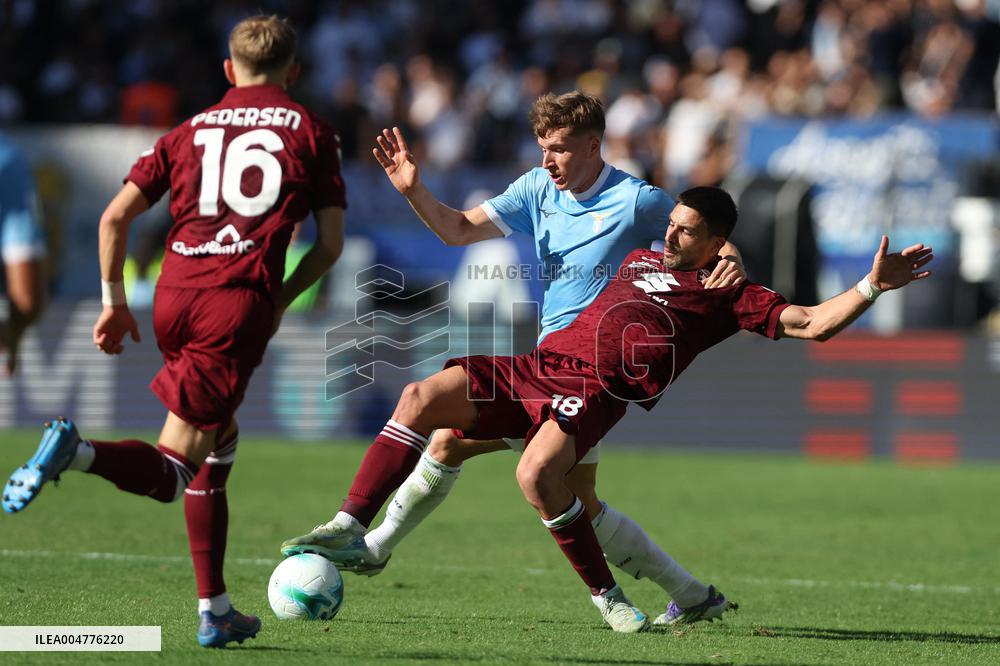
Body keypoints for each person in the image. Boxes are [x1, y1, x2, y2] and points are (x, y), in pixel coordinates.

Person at [284, 187, 933, 632]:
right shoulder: (645, 251)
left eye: (688, 230)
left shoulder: (730, 294)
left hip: (592, 392)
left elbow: (813, 323)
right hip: (537, 367)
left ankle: (612, 598)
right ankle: (352, 526)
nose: (672, 232)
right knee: (424, 403)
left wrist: (872, 285)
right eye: (672, 221)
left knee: (537, 478)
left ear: (716, 242)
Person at [282, 92, 747, 627]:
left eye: (559, 149)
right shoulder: (535, 188)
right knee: (507, 468)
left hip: (594, 375)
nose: (547, 160)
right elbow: (457, 230)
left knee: (539, 483)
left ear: (594, 146)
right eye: (542, 147)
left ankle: (379, 543)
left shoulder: (638, 200)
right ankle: (691, 597)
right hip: (546, 365)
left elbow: (704, 233)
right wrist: (414, 190)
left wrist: (731, 262)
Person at [1, 15, 346, 648]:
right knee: (172, 472)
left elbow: (114, 218)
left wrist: (113, 304)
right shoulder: (314, 133)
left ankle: (215, 610)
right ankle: (74, 452)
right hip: (233, 303)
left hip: (172, 296)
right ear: (294, 72)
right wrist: (279, 300)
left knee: (220, 444)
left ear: (227, 70)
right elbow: (328, 247)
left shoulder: (189, 129)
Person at [0, 133, 48, 376]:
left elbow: (27, 302)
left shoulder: (9, 161)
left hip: (8, 174)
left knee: (29, 302)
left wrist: (12, 337)